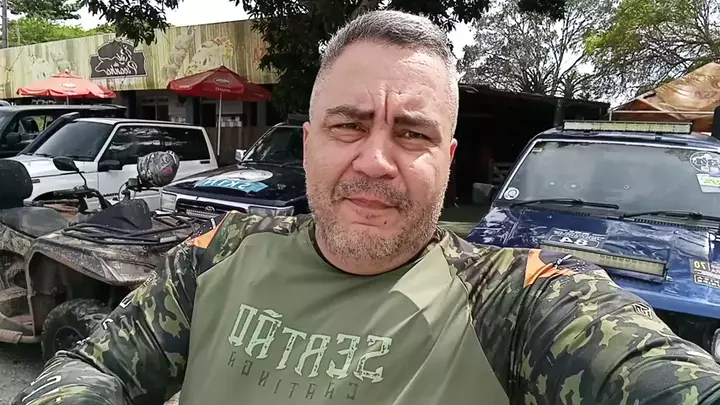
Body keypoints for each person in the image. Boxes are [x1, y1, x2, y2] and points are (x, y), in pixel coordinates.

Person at [13, 10, 720, 405]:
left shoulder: (518, 305)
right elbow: (92, 365)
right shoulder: (217, 258)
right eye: (349, 126)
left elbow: (657, 376)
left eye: (412, 134)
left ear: (446, 159)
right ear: (310, 143)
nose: (376, 160)